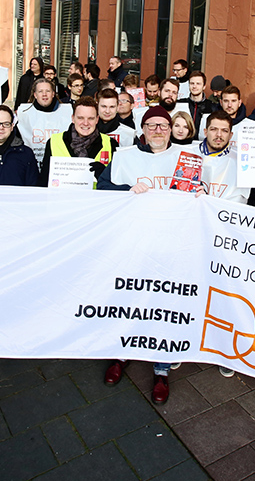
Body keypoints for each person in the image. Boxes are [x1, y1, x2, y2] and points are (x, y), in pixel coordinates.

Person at [97, 106, 182, 404]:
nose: (158, 130)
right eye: (152, 125)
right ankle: (122, 353)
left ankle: (161, 369)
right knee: (128, 298)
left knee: (164, 304)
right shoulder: (124, 156)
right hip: (130, 241)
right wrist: (126, 189)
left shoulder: (186, 160)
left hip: (169, 243)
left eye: (163, 125)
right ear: (142, 129)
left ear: (171, 129)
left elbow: (201, 192)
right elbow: (103, 187)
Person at [39, 96, 118, 187]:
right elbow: (44, 181)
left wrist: (104, 174)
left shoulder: (111, 144)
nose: (85, 123)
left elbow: (117, 182)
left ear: (97, 119)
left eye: (90, 118)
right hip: (62, 199)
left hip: (96, 200)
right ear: (73, 118)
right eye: (80, 118)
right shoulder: (54, 142)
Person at [15, 77, 74, 166]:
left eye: (48, 91)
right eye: (40, 91)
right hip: (31, 163)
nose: (44, 94)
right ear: (35, 94)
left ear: (53, 94)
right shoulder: (23, 113)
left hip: (60, 165)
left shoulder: (67, 111)